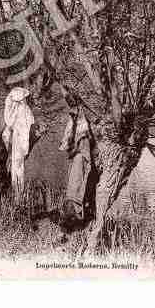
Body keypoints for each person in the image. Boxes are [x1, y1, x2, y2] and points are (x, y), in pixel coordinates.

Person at [58, 92, 97, 236]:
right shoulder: (75, 117)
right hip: (77, 157)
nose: (72, 111)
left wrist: (73, 148)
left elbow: (82, 142)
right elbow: (69, 136)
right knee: (73, 186)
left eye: (73, 105)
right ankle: (74, 219)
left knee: (77, 186)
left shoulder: (82, 120)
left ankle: (75, 220)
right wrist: (68, 146)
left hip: (82, 158)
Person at [2, 87, 35, 208]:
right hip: (19, 140)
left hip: (19, 140)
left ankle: (18, 198)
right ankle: (18, 197)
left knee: (17, 168)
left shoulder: (22, 109)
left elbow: (10, 123)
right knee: (17, 168)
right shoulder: (23, 109)